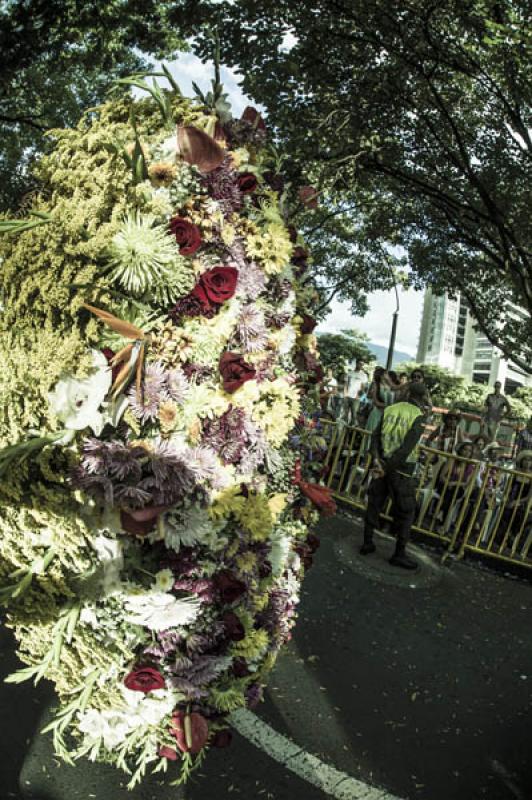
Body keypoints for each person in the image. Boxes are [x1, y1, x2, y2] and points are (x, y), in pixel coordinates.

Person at [360, 381, 429, 570]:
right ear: (423, 397)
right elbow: (405, 449)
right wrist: (387, 467)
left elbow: (375, 436)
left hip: (381, 463)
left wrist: (376, 460)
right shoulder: (419, 416)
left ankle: (367, 543)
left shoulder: (391, 408)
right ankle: (399, 554)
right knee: (406, 510)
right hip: (400, 470)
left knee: (374, 502)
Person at [342, 359, 368, 426]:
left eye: (362, 364)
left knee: (354, 415)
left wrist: (358, 396)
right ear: (356, 363)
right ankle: (343, 429)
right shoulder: (350, 373)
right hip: (347, 396)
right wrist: (345, 394)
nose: (360, 365)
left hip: (356, 398)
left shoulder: (363, 375)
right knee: (345, 414)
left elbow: (363, 387)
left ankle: (350, 432)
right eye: (359, 363)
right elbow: (346, 384)